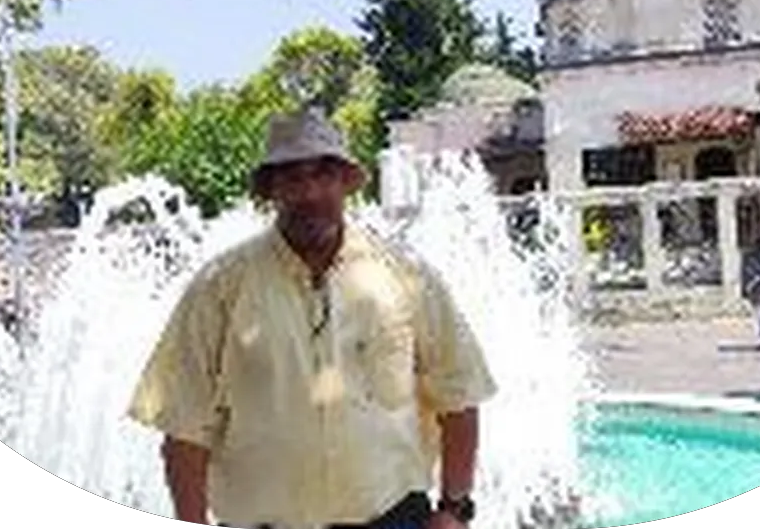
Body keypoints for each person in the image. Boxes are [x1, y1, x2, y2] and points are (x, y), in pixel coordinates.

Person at [126, 108, 498, 528]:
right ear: (271, 189)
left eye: (324, 174)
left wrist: (454, 508)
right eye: (292, 177)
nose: (310, 193)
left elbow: (459, 392)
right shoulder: (219, 288)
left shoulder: (407, 276)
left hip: (393, 518)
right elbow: (183, 427)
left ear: (346, 182)